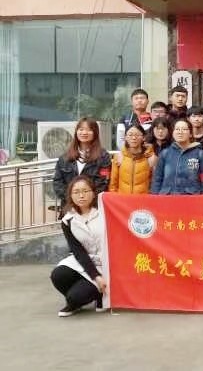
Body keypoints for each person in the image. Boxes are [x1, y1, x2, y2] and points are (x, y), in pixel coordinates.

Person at [50, 176, 107, 317]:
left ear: (93, 193)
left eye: (85, 191)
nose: (81, 196)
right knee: (58, 275)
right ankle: (78, 299)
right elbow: (78, 251)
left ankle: (96, 295)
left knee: (76, 296)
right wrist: (95, 276)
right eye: (76, 192)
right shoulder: (67, 219)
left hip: (106, 262)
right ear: (70, 195)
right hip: (84, 260)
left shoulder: (104, 212)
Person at [53, 118, 112, 211]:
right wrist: (72, 200)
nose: (84, 133)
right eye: (81, 129)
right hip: (69, 207)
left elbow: (103, 183)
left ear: (95, 133)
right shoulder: (65, 157)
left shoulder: (103, 156)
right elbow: (57, 183)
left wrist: (87, 201)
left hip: (93, 208)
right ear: (76, 132)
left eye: (89, 130)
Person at [150, 118, 203, 195]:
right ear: (173, 133)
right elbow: (157, 179)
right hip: (168, 198)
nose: (180, 132)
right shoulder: (165, 153)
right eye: (177, 129)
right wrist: (155, 197)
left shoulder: (200, 154)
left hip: (192, 198)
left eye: (184, 129)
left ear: (190, 134)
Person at [109, 123, 156, 194]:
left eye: (137, 135)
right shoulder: (119, 156)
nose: (134, 138)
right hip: (123, 198)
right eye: (130, 135)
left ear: (143, 137)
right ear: (125, 137)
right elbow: (113, 184)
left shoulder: (150, 157)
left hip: (143, 199)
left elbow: (154, 182)